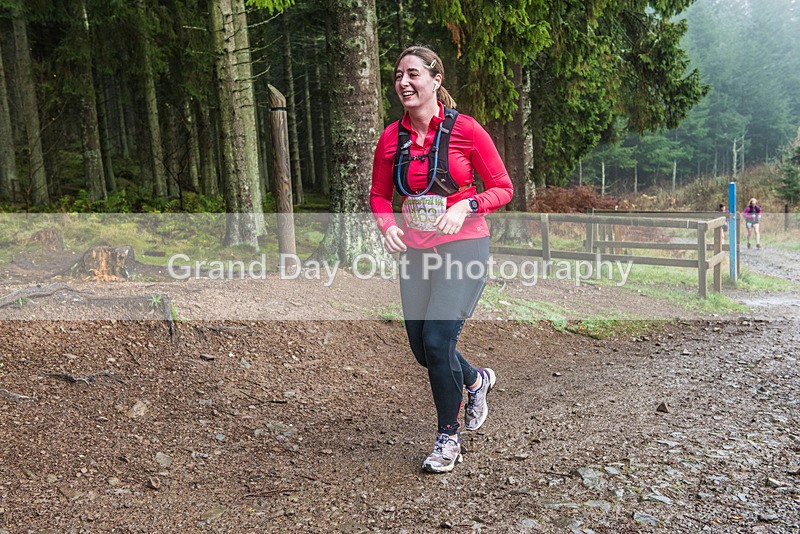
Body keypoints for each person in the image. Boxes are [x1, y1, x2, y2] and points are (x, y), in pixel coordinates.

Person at [370, 46, 513, 473]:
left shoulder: (466, 130)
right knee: (422, 349)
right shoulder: (390, 138)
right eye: (398, 75)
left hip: (464, 247)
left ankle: (447, 439)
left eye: (412, 73)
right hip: (415, 252)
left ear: (435, 80)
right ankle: (475, 379)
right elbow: (379, 195)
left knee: (437, 342)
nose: (403, 82)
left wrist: (465, 206)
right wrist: (389, 227)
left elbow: (503, 188)